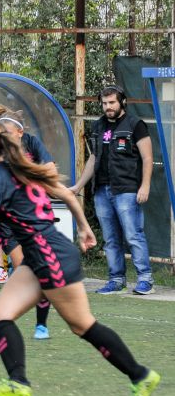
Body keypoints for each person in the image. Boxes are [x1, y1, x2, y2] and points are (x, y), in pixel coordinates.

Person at [0, 119, 160, 396]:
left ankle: (140, 375)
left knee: (82, 325)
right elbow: (64, 194)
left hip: (51, 258)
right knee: (1, 315)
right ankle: (17, 382)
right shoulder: (20, 169)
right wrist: (84, 227)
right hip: (39, 257)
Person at [70, 85, 155, 295]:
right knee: (110, 239)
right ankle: (116, 280)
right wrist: (78, 186)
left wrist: (144, 186)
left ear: (122, 102)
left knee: (134, 235)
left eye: (112, 103)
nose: (108, 107)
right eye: (105, 103)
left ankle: (146, 280)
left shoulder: (136, 124)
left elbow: (148, 158)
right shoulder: (98, 126)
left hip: (127, 188)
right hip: (101, 189)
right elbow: (93, 158)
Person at [0, 105, 57, 337]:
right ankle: (9, 318)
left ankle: (41, 323)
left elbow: (51, 170)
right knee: (23, 267)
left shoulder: (32, 144)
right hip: (7, 221)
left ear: (19, 133)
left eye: (6, 131)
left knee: (37, 270)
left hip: (32, 218)